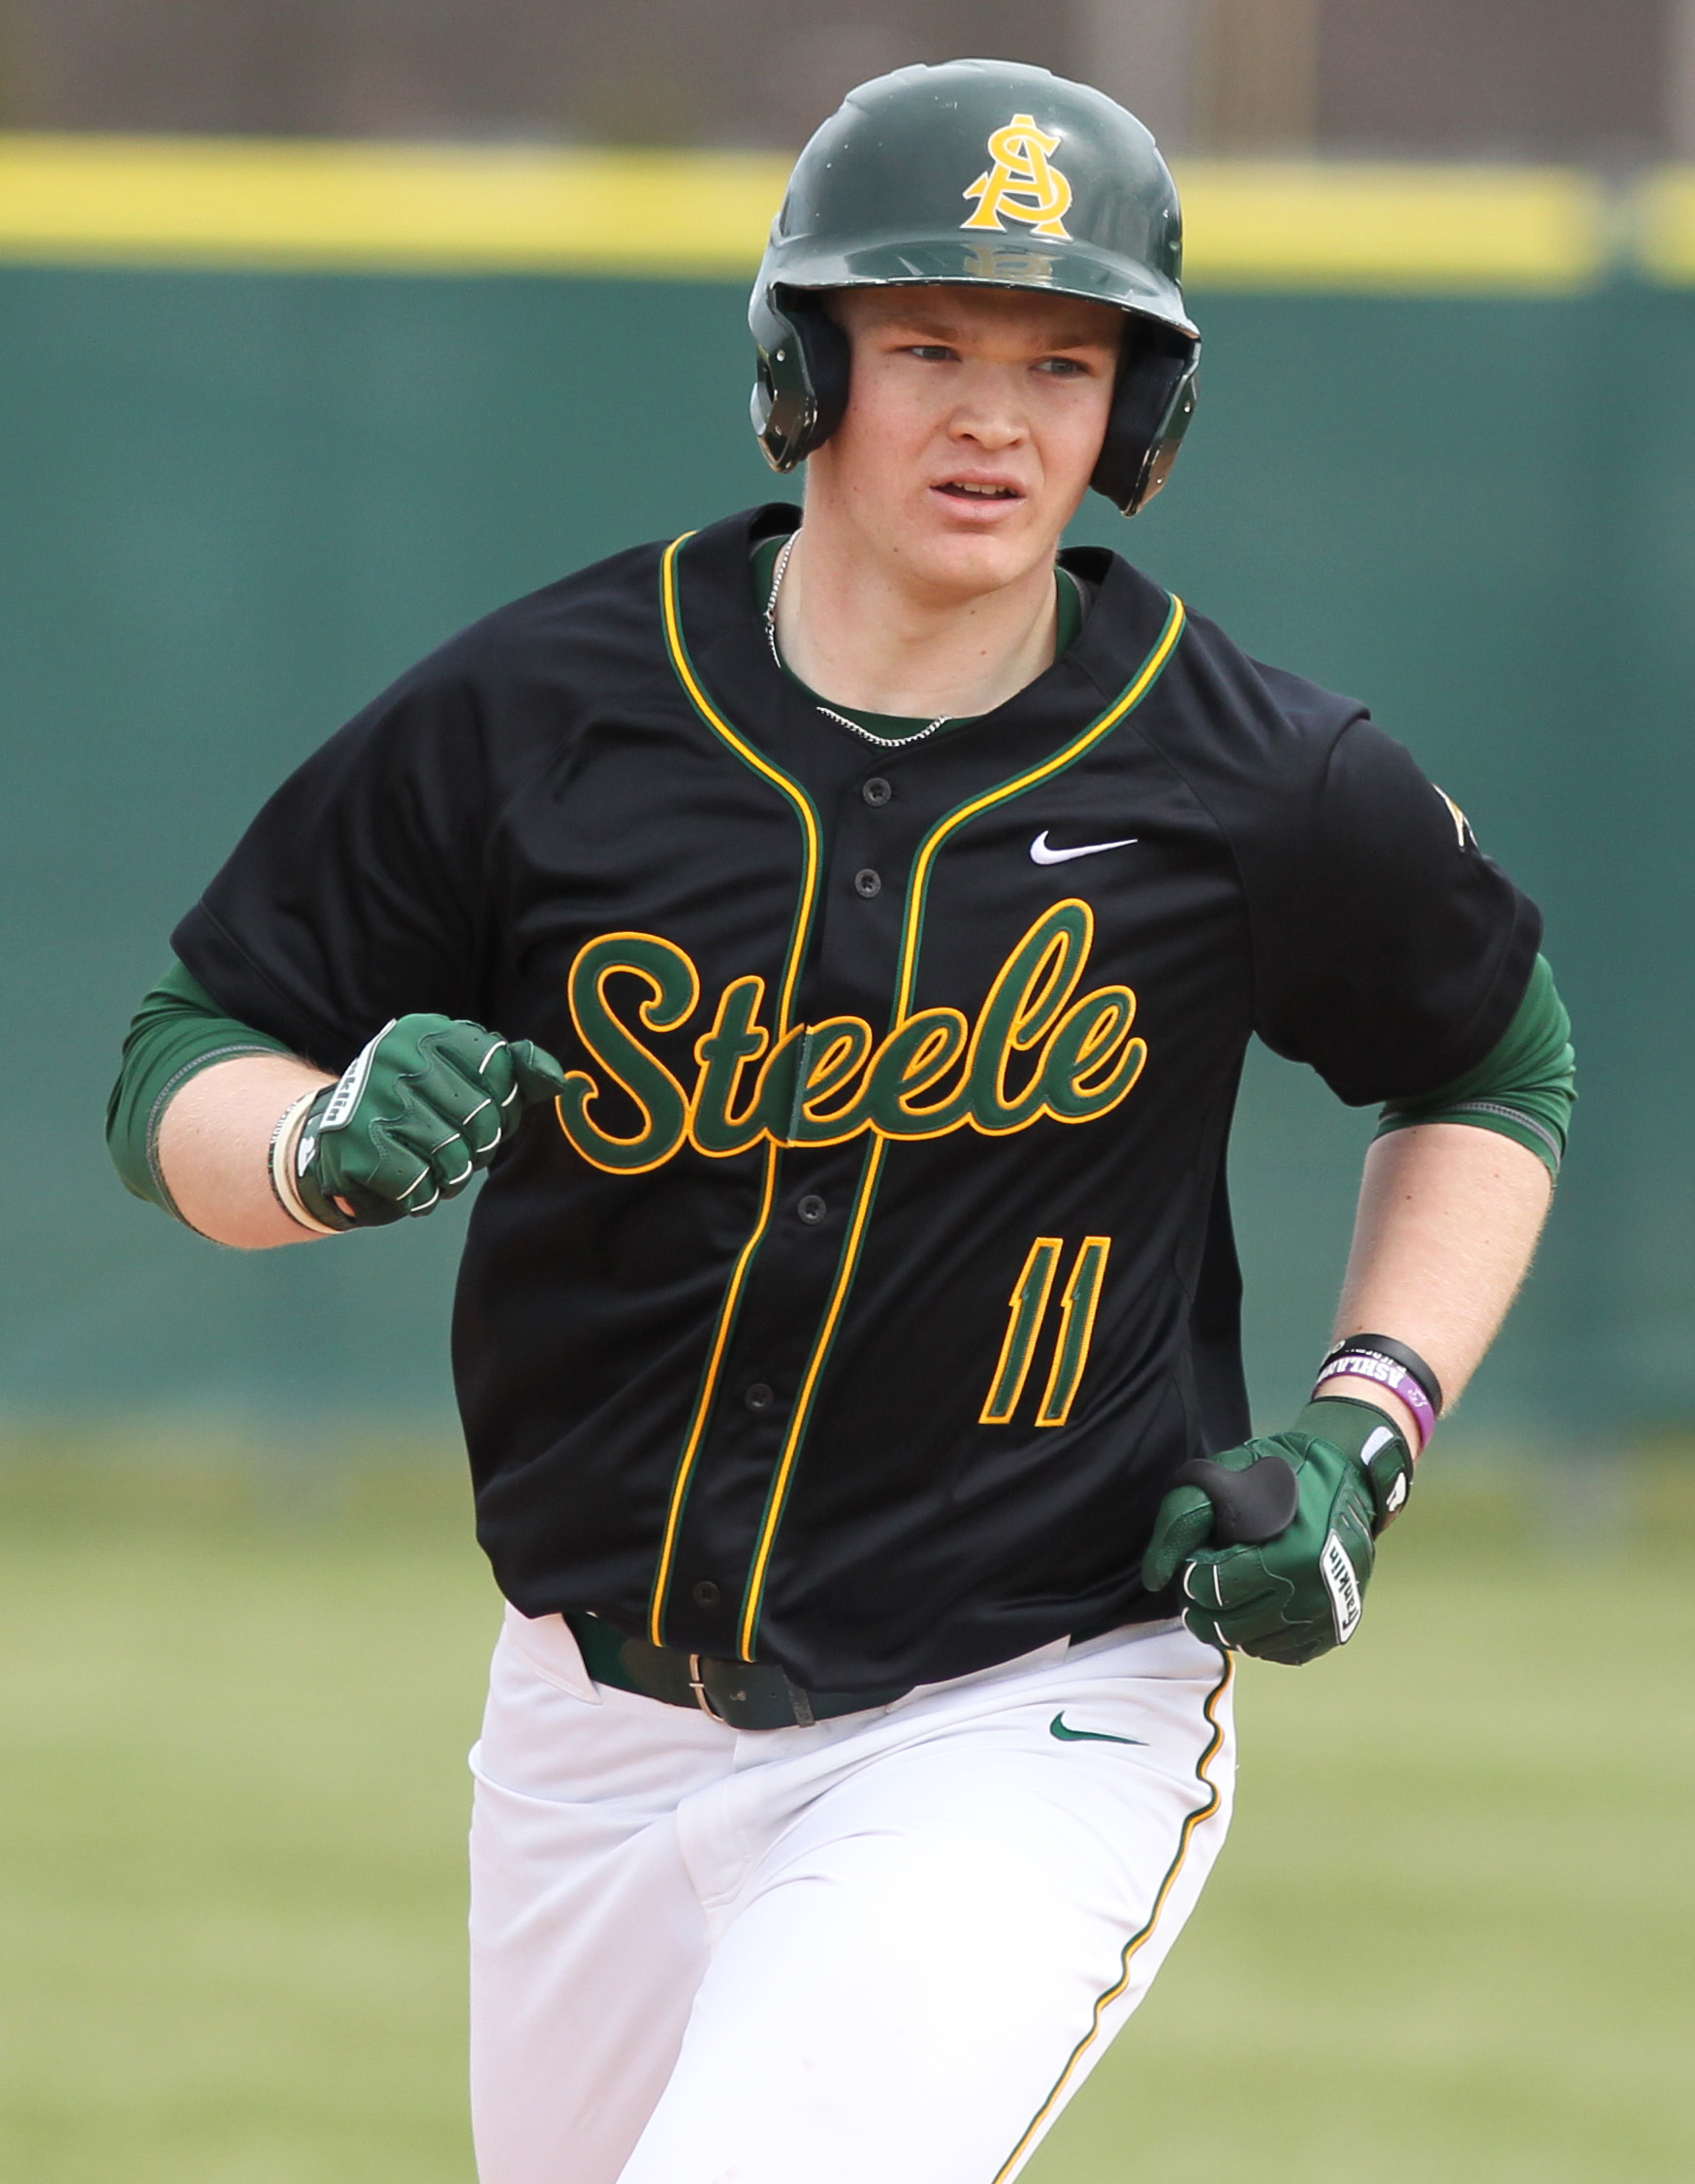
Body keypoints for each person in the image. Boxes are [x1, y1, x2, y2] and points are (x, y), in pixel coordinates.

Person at [108, 58, 1574, 2184]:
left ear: (1133, 417)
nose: (995, 416)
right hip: (583, 1729)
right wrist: (317, 1133)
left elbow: (1491, 1060)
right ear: (806, 368)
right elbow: (188, 1045)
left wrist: (1372, 1414)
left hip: (1020, 1705)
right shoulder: (550, 711)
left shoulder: (1258, 776)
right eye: (929, 346)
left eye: (1064, 361)